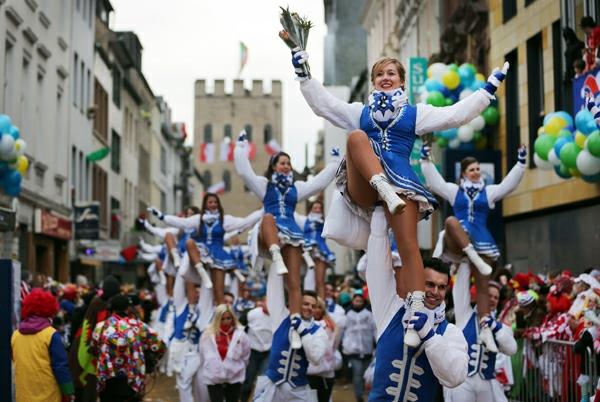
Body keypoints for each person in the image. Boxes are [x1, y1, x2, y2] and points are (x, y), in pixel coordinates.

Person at [293, 49, 509, 346]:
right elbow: (324, 105)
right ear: (373, 81)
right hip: (367, 187)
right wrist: (304, 73)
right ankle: (381, 185)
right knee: (356, 137)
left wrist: (487, 91)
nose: (385, 78)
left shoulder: (415, 113)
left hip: (402, 185)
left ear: (402, 81)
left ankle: (414, 314)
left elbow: (455, 115)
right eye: (380, 74)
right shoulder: (360, 112)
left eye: (391, 73)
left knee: (408, 247)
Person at [234, 132, 340, 348]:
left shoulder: (296, 188)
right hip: (270, 233)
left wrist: (334, 163)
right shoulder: (264, 186)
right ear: (274, 166)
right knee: (268, 218)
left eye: (289, 163)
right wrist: (241, 148)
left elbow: (318, 184)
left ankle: (295, 326)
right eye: (282, 163)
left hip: (291, 234)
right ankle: (275, 253)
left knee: (293, 284)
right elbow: (245, 173)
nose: (287, 166)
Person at [421, 145, 526, 352]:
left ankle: (486, 330)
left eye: (478, 169)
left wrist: (521, 164)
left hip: (482, 243)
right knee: (451, 221)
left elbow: (508, 186)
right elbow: (436, 182)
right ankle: (472, 256)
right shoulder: (455, 191)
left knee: (483, 288)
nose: (477, 172)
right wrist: (425, 161)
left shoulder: (488, 192)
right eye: (472, 169)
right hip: (459, 245)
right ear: (464, 173)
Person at [364, 207, 468, 401]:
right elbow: (377, 268)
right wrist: (379, 210)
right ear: (418, 281)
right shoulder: (392, 311)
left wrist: (430, 336)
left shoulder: (451, 332)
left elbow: (456, 377)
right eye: (429, 284)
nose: (435, 292)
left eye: (441, 287)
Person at [149, 194, 262, 304]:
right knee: (190, 243)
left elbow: (244, 222)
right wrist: (161, 216)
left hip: (218, 254)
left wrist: (263, 210)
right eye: (210, 202)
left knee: (219, 293)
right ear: (205, 204)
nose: (213, 204)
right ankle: (201, 271)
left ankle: (220, 316)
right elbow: (181, 222)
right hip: (203, 253)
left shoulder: (224, 219)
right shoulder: (199, 219)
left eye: (215, 202)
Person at [252, 260, 329, 402]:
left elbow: (316, 358)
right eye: (305, 304)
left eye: (313, 306)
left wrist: (302, 331)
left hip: (298, 390)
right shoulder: (281, 317)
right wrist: (277, 258)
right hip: (272, 386)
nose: (309, 308)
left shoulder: (319, 330)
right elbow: (274, 289)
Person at [445, 262, 517, 402]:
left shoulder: (499, 326)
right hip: (464, 380)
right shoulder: (465, 315)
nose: (492, 300)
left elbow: (512, 349)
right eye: (489, 295)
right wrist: (467, 260)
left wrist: (495, 327)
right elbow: (459, 288)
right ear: (480, 296)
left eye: (496, 298)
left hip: (486, 383)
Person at [90, 295, 165, 402]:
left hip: (107, 380)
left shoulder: (100, 327)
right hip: (131, 379)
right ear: (128, 309)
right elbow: (159, 345)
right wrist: (150, 361)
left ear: (112, 309)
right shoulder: (138, 326)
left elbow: (94, 349)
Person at [12, 288, 75, 402]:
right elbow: (60, 367)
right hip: (48, 395)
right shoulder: (51, 334)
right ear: (49, 310)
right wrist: (68, 391)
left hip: (23, 395)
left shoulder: (15, 335)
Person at [68, 275, 121, 402]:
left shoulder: (96, 302)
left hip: (82, 349)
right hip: (90, 353)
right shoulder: (102, 306)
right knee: (88, 387)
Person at [200, 303, 250, 402]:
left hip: (234, 377)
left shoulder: (241, 335)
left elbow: (246, 356)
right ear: (217, 319)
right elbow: (202, 354)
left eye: (228, 318)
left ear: (233, 318)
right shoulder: (207, 334)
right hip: (213, 377)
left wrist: (237, 368)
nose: (226, 322)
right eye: (222, 319)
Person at [342, 290, 377, 402]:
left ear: (363, 302)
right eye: (356, 300)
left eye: (360, 301)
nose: (358, 303)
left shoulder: (369, 315)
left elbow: (375, 331)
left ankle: (367, 395)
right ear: (353, 301)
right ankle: (359, 397)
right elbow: (342, 331)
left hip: (367, 350)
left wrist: (377, 345)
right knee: (357, 374)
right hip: (353, 351)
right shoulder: (347, 314)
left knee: (366, 375)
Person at [299, 200, 336, 299]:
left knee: (320, 280)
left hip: (320, 250)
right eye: (315, 208)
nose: (318, 210)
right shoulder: (304, 220)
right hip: (306, 249)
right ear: (310, 209)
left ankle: (321, 305)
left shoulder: (325, 222)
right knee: (304, 276)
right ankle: (306, 300)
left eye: (319, 208)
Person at [307, 297, 340, 402]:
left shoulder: (329, 326)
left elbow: (331, 348)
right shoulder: (304, 324)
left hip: (324, 374)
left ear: (323, 309)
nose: (315, 310)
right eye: (313, 307)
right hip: (309, 373)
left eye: (319, 307)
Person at [240, 299, 273, 402]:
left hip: (267, 352)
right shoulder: (252, 313)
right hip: (252, 352)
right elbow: (240, 327)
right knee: (248, 383)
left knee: (263, 382)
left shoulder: (277, 315)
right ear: (263, 303)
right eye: (267, 302)